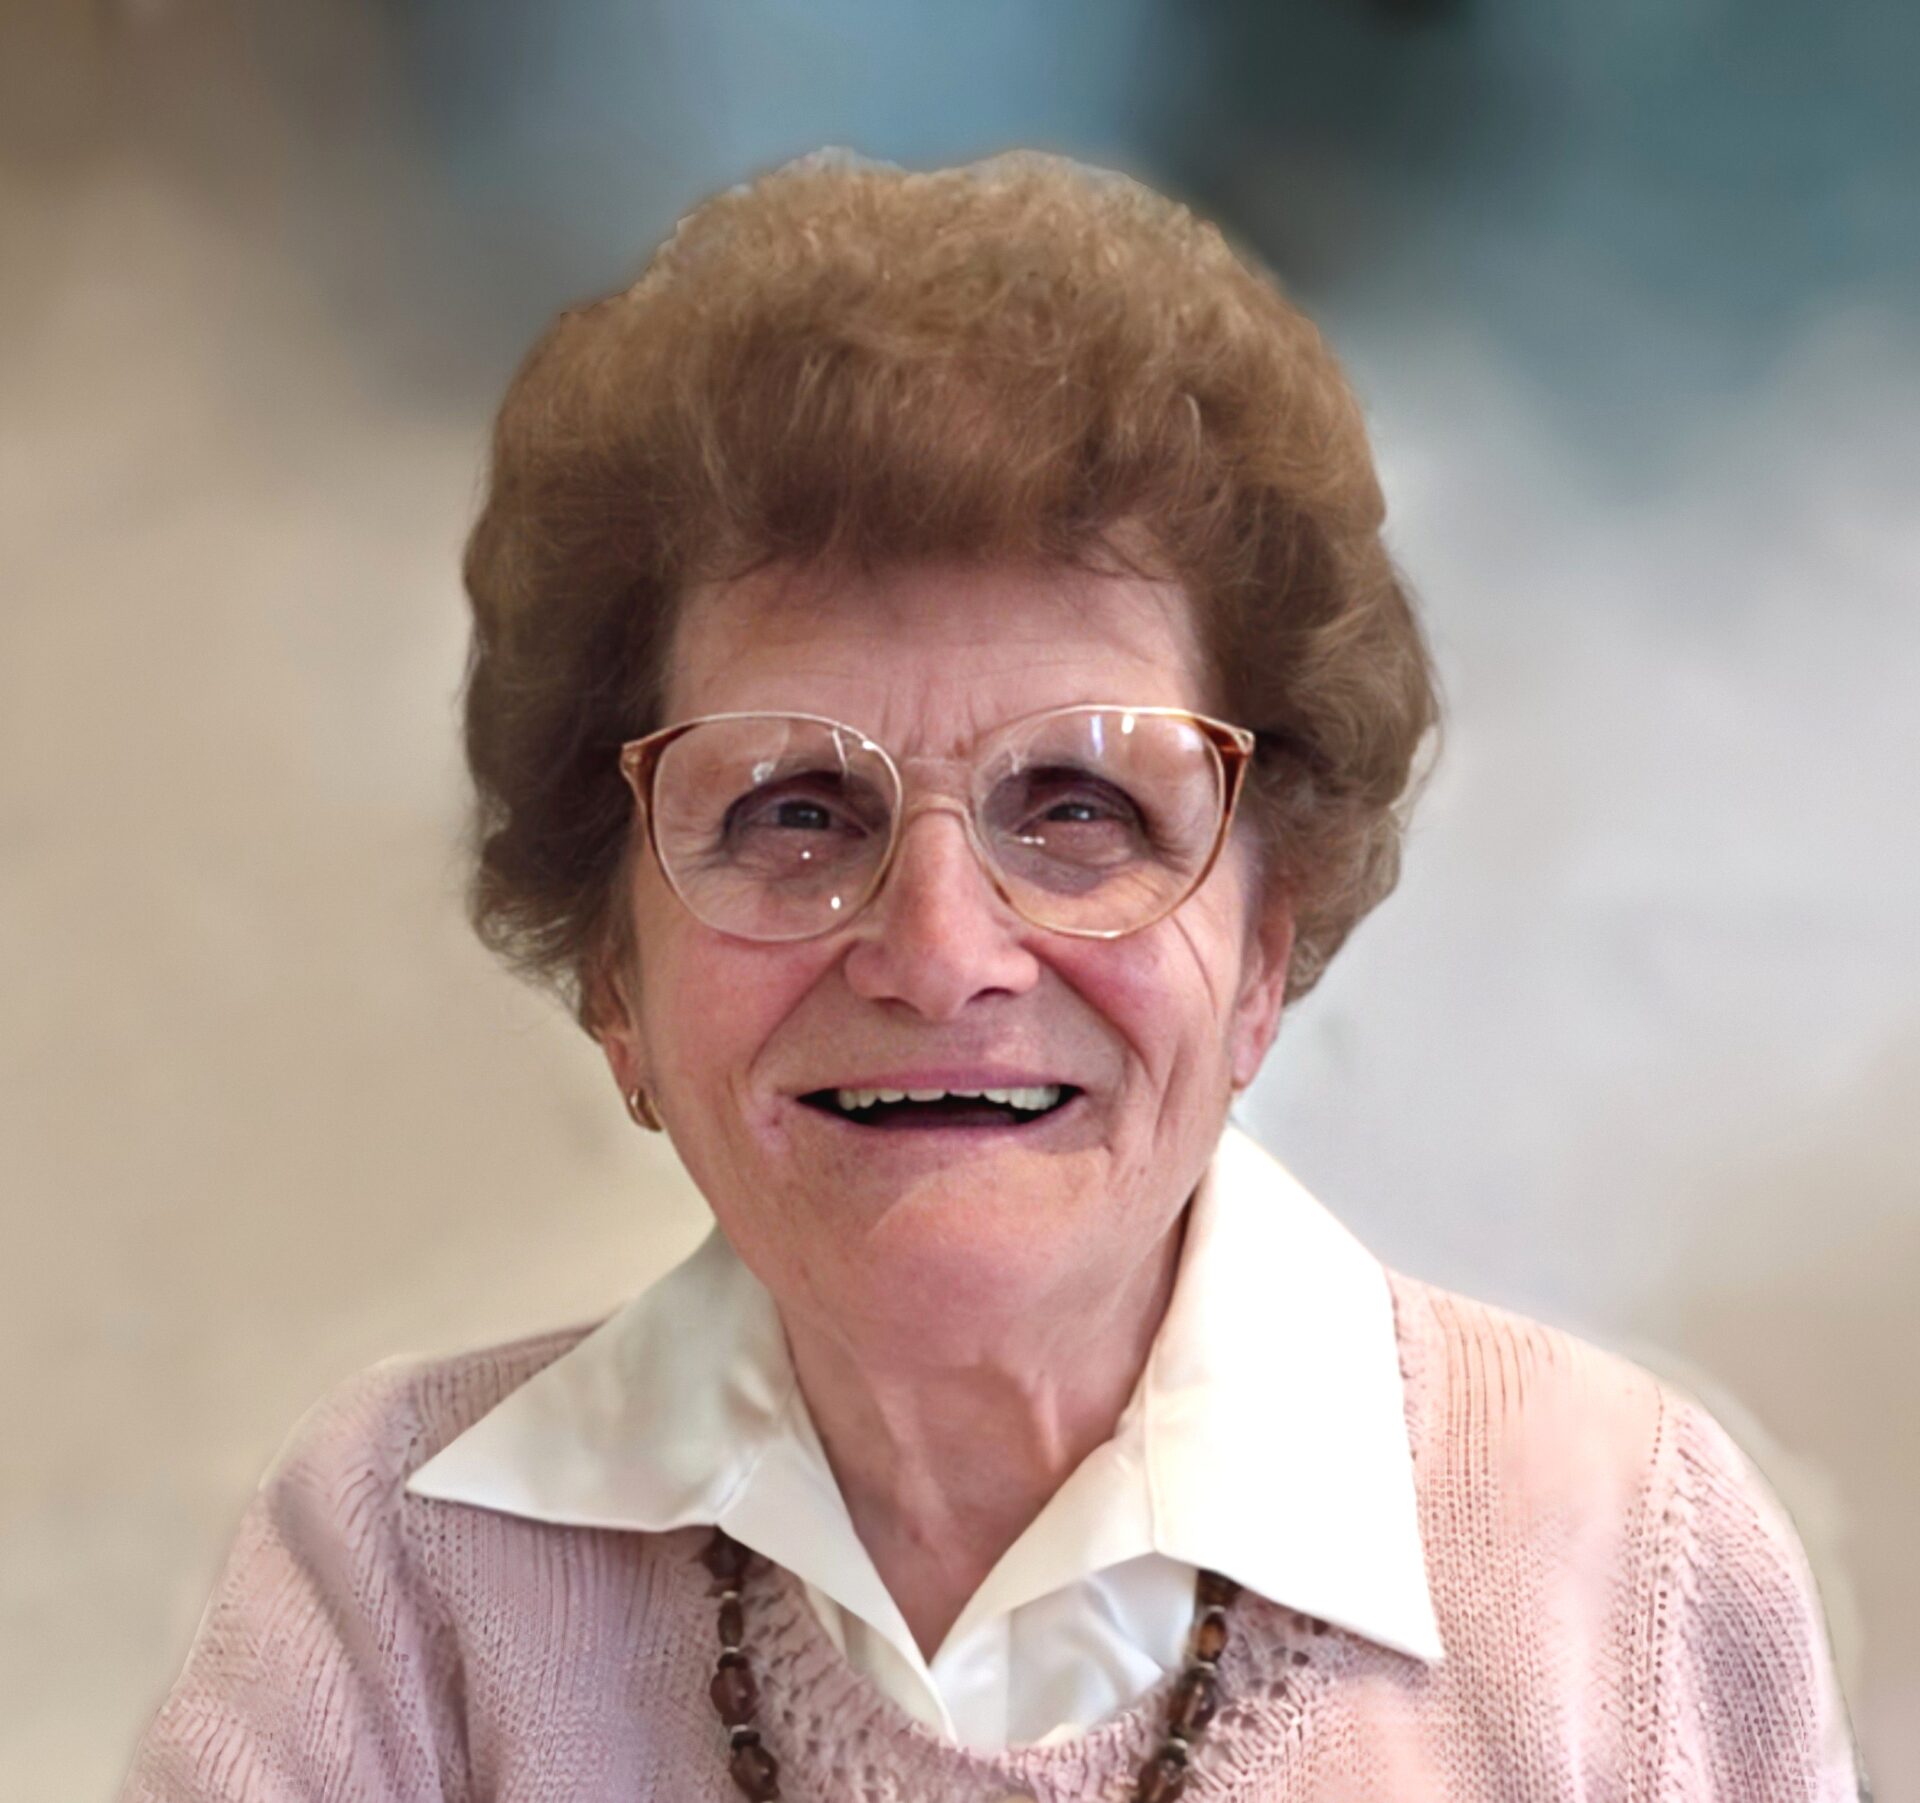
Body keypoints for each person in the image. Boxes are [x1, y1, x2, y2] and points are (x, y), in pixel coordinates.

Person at [121, 149, 1860, 1801]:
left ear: (1262, 950)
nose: (942, 955)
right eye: (794, 810)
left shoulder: (1623, 1575)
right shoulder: (397, 1587)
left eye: (1081, 807)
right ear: (614, 974)